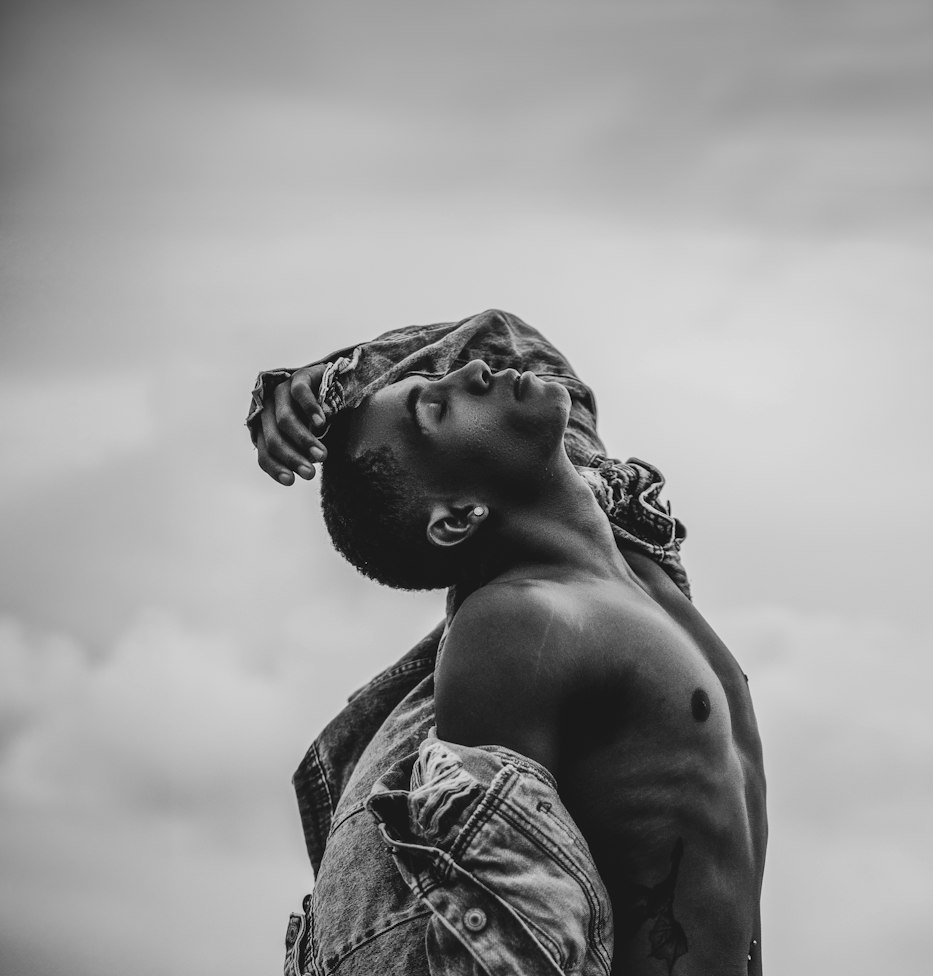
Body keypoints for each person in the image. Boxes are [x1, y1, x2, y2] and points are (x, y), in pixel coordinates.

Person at [249, 311, 766, 976]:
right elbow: (505, 942)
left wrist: (336, 379)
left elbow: (506, 339)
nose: (470, 372)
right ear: (459, 515)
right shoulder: (516, 628)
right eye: (436, 404)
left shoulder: (635, 559)